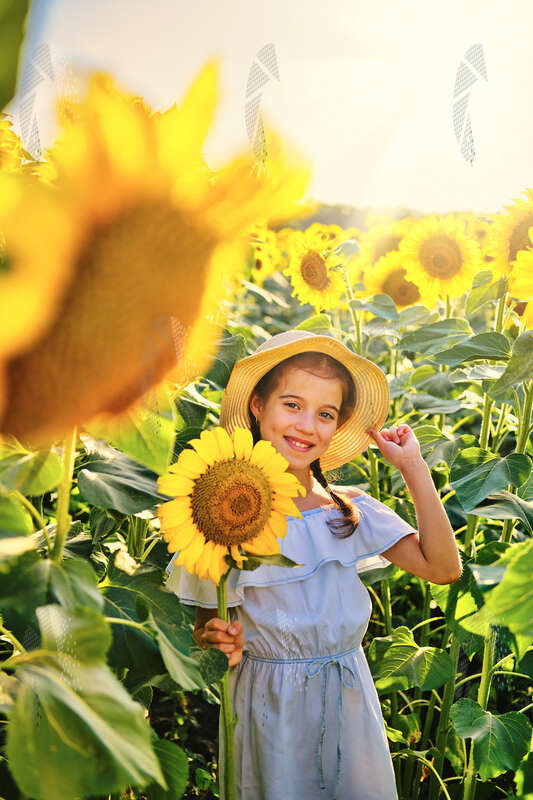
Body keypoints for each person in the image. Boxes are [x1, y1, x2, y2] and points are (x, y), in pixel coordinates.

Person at [164, 329, 462, 799]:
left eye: (325, 414)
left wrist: (413, 468)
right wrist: (218, 640)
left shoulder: (346, 509)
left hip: (348, 701)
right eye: (292, 404)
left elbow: (443, 568)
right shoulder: (220, 513)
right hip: (268, 708)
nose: (307, 426)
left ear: (337, 426)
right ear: (258, 406)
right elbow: (207, 628)